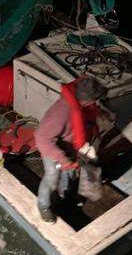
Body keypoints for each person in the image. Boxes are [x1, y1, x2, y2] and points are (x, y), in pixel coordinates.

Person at [33, 76, 112, 223]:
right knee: (51, 177)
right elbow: (41, 138)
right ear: (86, 100)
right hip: (53, 148)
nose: (96, 102)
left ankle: (64, 195)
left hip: (70, 147)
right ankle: (43, 206)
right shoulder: (61, 112)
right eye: (95, 100)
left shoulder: (83, 105)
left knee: (69, 174)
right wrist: (62, 160)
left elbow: (84, 121)